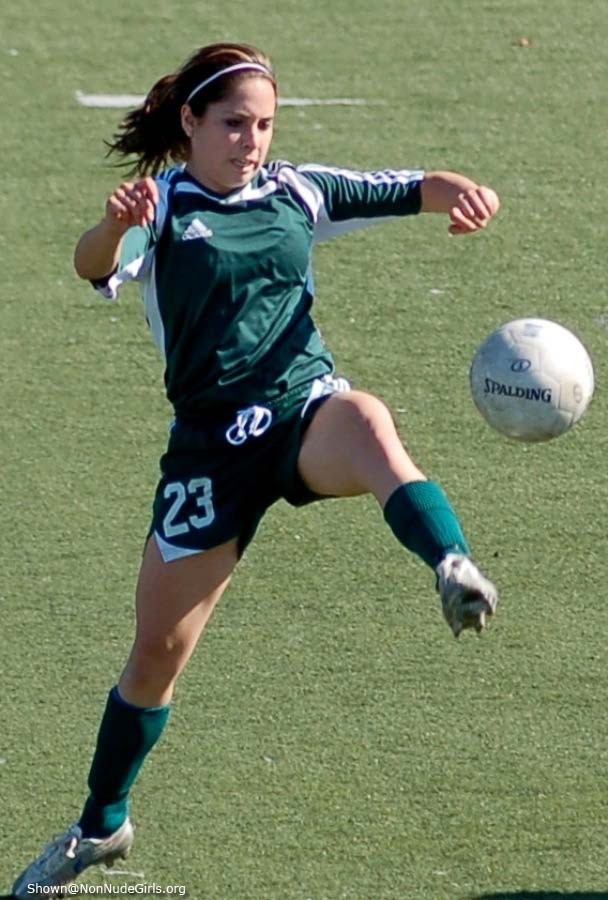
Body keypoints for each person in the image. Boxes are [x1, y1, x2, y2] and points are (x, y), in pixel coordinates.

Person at [11, 40, 500, 896]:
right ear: (191, 121)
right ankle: (102, 825)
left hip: (301, 412)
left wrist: (454, 191)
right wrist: (115, 224)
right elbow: (92, 265)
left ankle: (451, 564)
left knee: (370, 422)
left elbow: (404, 188)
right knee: (156, 658)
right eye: (235, 123)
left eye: (265, 124)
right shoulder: (162, 205)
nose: (252, 140)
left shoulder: (296, 189)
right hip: (209, 456)